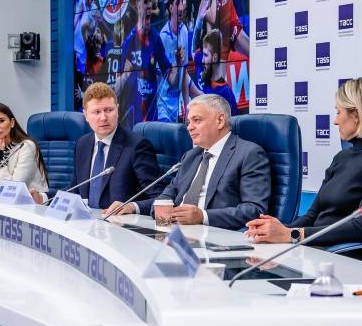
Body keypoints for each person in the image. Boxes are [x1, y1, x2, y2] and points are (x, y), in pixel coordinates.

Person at [245, 79, 362, 256]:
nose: (335, 121)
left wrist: (292, 235)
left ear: (356, 115)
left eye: (338, 112)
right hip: (315, 251)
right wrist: (276, 232)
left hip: (344, 256)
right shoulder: (342, 157)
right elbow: (312, 216)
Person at [109, 94, 269, 230]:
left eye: (197, 120)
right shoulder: (191, 156)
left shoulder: (248, 154)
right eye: (188, 122)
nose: (189, 128)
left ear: (220, 121)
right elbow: (165, 198)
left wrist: (202, 216)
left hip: (214, 237)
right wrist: (133, 207)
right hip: (175, 233)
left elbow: (254, 209)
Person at [31, 83, 164, 212]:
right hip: (86, 222)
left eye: (109, 110)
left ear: (117, 110)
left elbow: (161, 198)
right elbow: (75, 190)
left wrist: (132, 207)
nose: (103, 117)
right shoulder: (82, 144)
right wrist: (43, 198)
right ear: (86, 116)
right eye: (96, 112)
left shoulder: (137, 146)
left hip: (119, 224)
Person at [0, 102, 48, 196]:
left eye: (1, 121)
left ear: (12, 122)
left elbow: (12, 191)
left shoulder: (26, 146)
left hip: (29, 201)